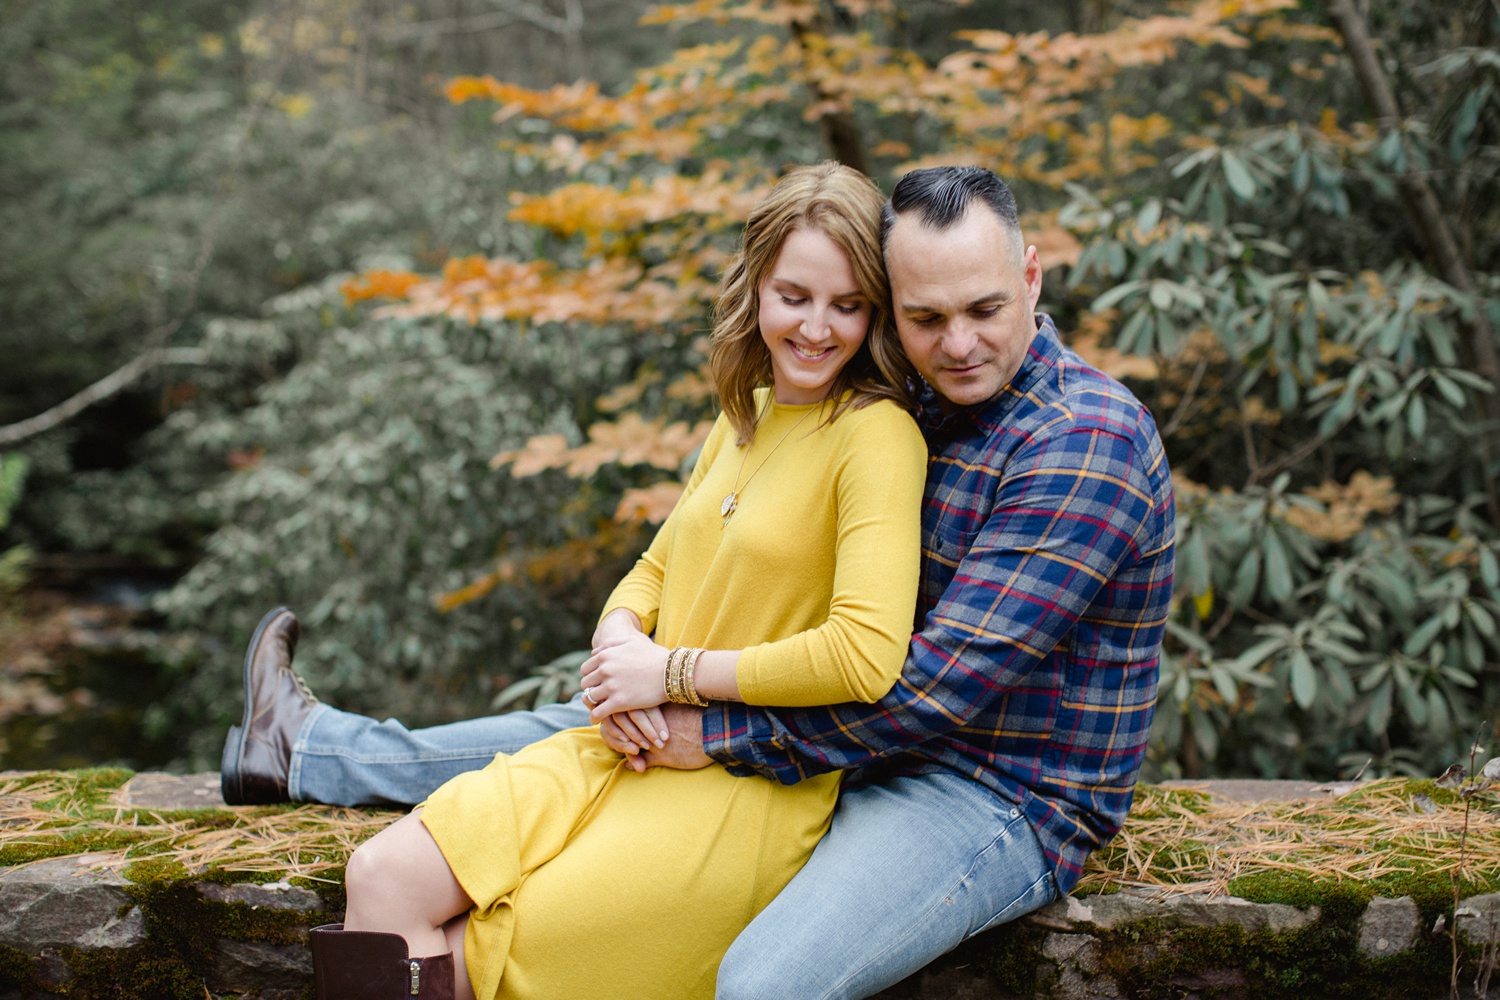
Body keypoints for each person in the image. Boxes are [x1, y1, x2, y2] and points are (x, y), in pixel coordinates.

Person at [222, 165, 1176, 1000]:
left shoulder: (1079, 443)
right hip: (860, 738)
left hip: (991, 789)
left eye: (984, 310)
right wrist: (633, 660)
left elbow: (929, 690)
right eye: (923, 318)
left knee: (763, 982)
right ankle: (308, 749)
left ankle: (320, 756)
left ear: (1031, 275)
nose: (957, 343)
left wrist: (705, 719)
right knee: (591, 723)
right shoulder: (909, 393)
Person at [293, 160, 930, 999]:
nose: (816, 328)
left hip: (737, 787)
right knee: (382, 879)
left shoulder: (877, 436)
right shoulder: (748, 414)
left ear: (876, 314)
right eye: (794, 296)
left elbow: (864, 655)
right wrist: (618, 645)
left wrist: (667, 673)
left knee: (493, 947)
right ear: (757, 290)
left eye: (847, 306)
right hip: (622, 745)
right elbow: (652, 568)